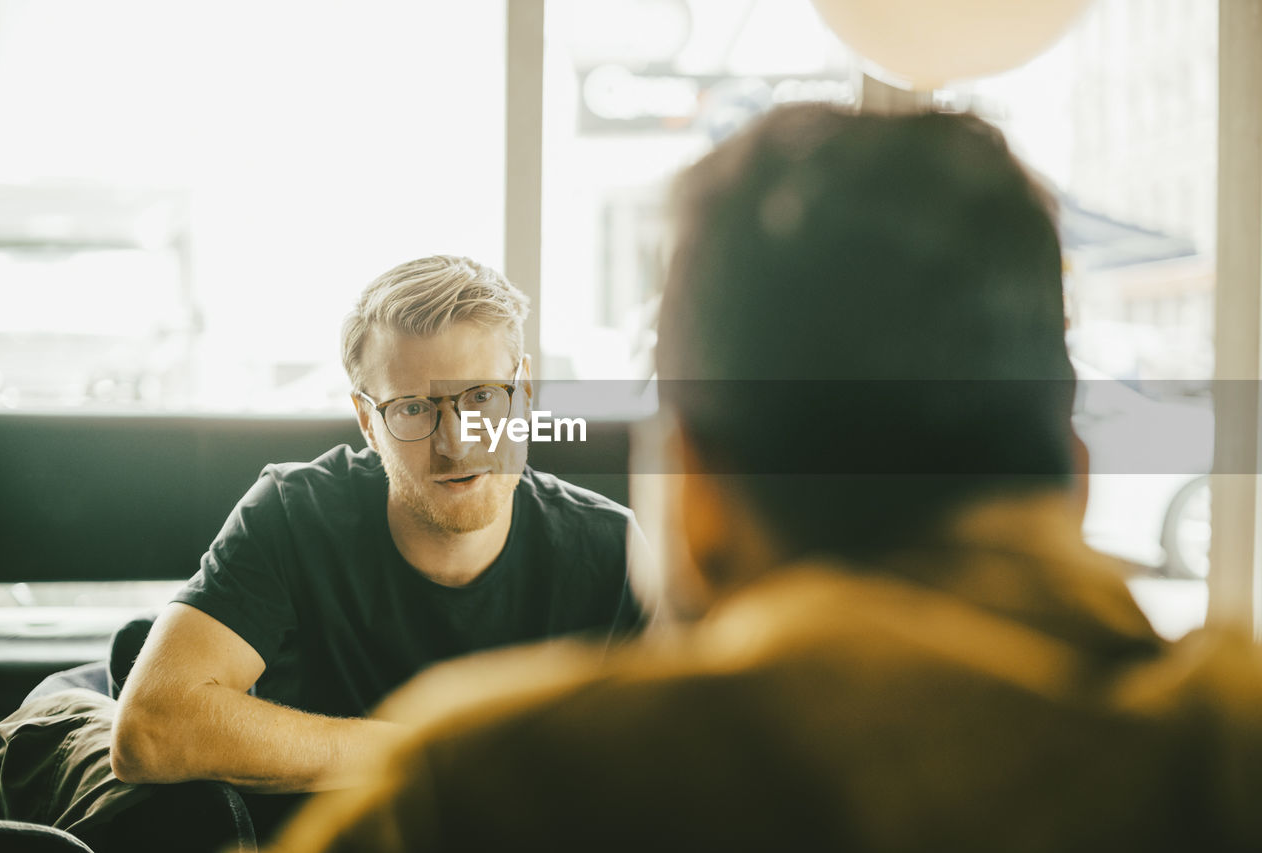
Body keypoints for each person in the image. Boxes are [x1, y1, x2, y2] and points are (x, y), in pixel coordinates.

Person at [266, 107, 1262, 852]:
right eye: (415, 411)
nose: (453, 438)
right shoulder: (1221, 759)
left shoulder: (474, 794)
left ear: (694, 494)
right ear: (1073, 484)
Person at [109, 255, 643, 834]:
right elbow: (151, 729)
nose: (456, 442)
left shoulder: (612, 550)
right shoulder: (293, 515)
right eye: (414, 408)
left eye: (483, 396)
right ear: (367, 420)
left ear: (526, 393)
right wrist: (429, 753)